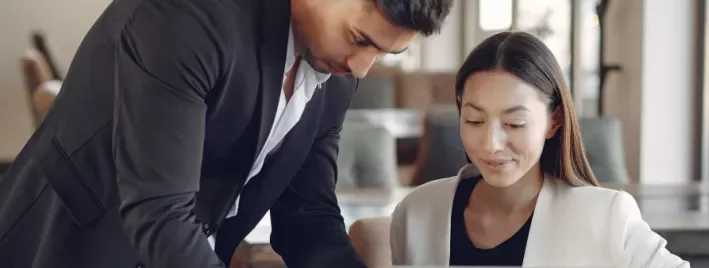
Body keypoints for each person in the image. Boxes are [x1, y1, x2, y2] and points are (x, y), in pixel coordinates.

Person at [0, 0, 454, 267]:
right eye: (360, 39)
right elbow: (161, 213)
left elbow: (308, 215)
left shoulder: (335, 70)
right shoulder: (190, 16)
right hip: (71, 241)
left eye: (385, 53)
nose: (361, 68)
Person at [389, 32, 689, 267]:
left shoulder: (606, 217)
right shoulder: (416, 214)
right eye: (474, 120)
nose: (491, 144)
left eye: (515, 123)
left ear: (553, 121)